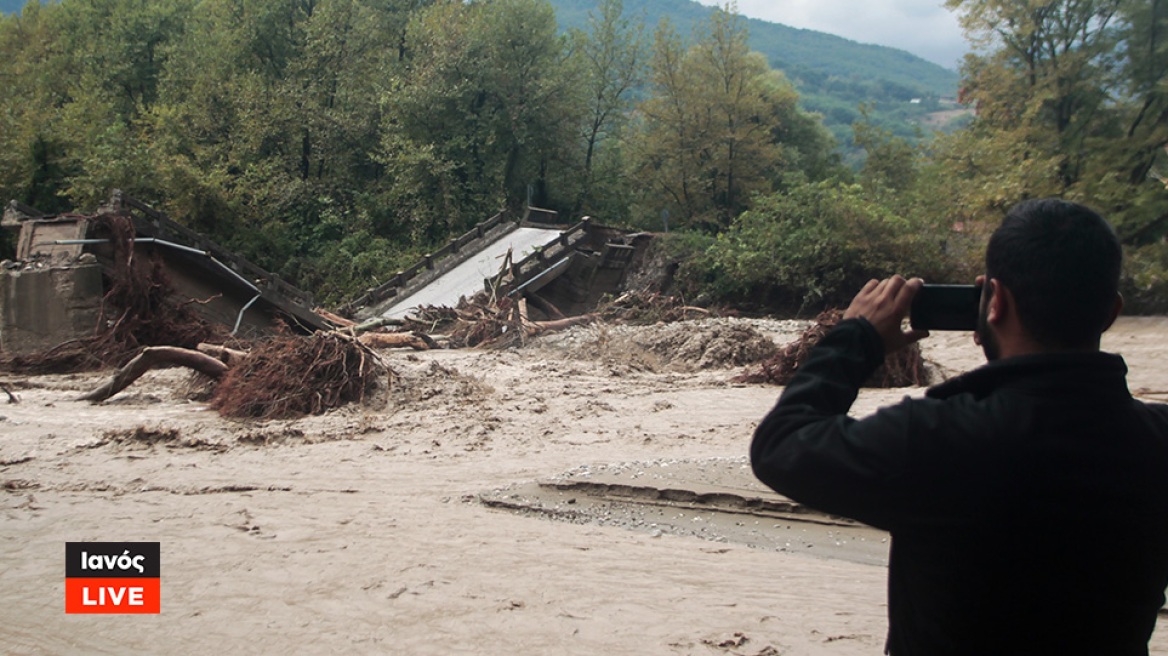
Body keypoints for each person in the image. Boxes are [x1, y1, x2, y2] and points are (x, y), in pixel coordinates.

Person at [750, 198, 1168, 655]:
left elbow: (782, 445)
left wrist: (857, 337)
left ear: (996, 301)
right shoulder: (1156, 440)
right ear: (1111, 311)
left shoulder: (935, 440)